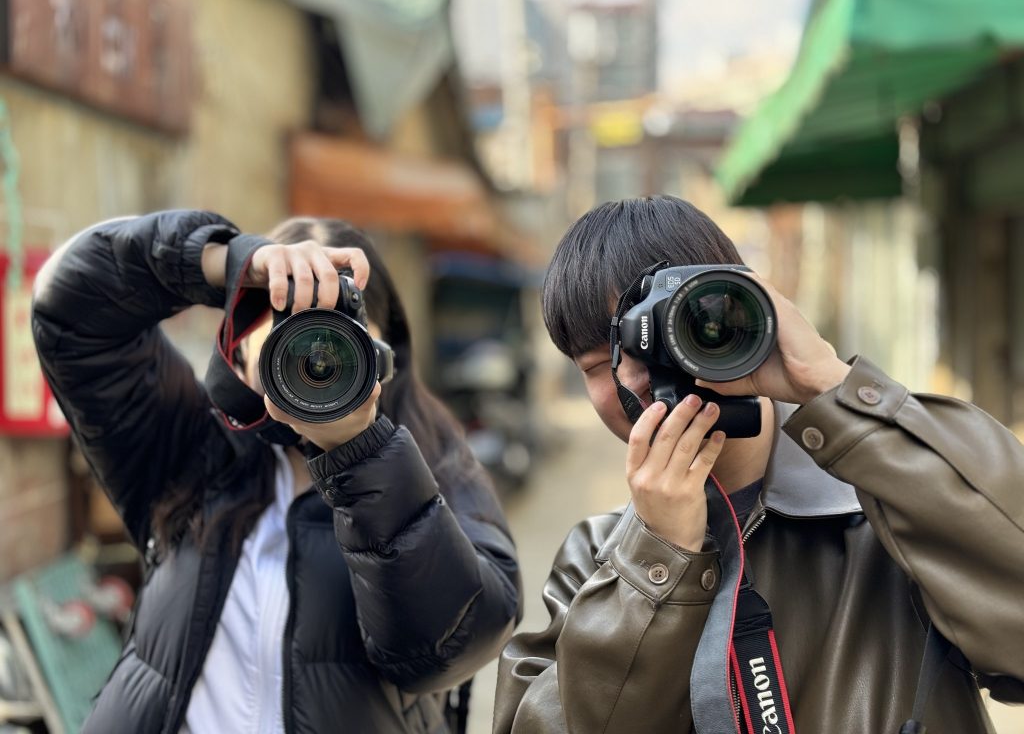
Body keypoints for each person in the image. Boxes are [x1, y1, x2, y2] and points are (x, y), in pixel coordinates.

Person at [493, 195, 1024, 733]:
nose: (635, 380)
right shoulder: (596, 558)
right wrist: (655, 561)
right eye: (596, 365)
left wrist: (836, 389)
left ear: (738, 314)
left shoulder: (887, 498)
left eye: (662, 339)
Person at [31, 210, 522, 734]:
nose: (316, 356)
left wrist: (362, 454)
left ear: (382, 357)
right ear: (239, 347)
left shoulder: (436, 469)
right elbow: (69, 304)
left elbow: (453, 645)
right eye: (290, 328)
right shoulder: (184, 447)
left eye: (339, 334)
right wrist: (228, 262)